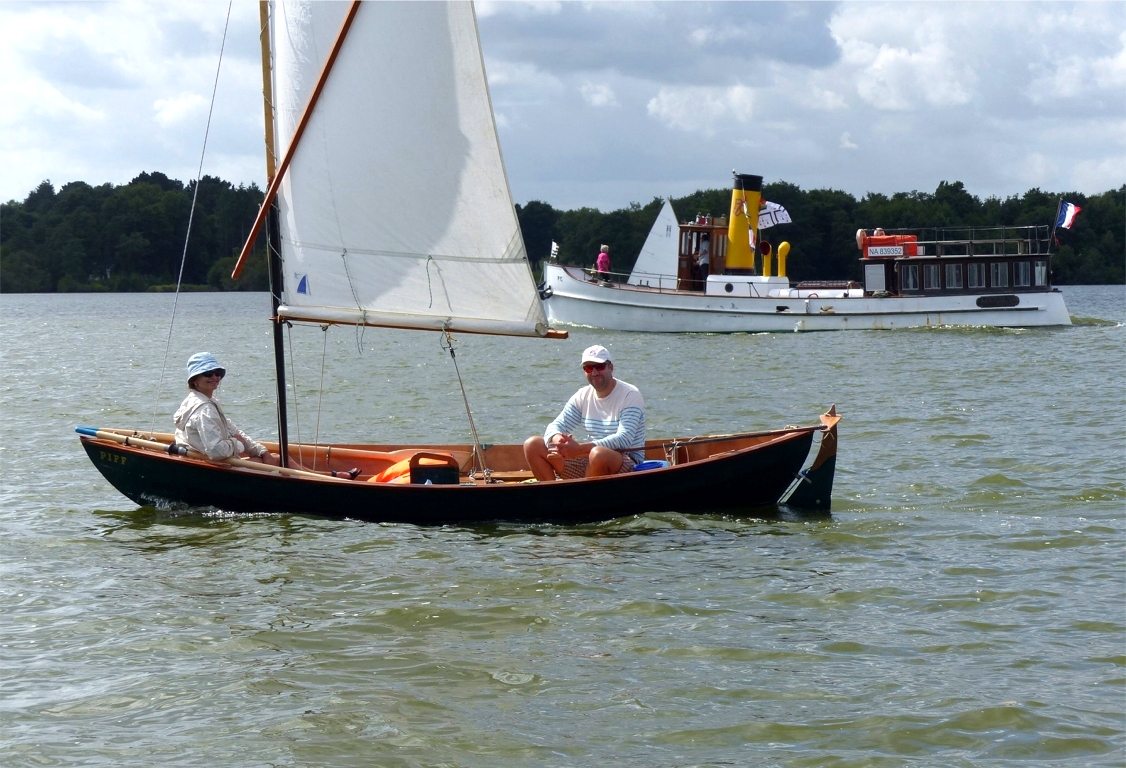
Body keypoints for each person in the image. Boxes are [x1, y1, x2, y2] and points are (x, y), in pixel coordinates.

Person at [173, 352, 359, 479]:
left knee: (277, 457)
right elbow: (216, 451)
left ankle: (327, 477)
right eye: (207, 373)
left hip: (217, 464)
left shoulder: (202, 402)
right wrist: (237, 445)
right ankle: (328, 479)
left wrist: (260, 451)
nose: (214, 377)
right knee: (279, 460)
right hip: (214, 468)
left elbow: (234, 431)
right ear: (194, 381)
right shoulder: (204, 410)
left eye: (218, 372)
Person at [523, 345, 646, 481]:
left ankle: (582, 498)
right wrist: (559, 443)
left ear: (611, 368)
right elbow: (555, 425)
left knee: (598, 454)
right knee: (532, 444)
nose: (594, 373)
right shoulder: (583, 395)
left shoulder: (630, 394)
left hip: (627, 463)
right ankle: (554, 498)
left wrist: (579, 449)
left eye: (599, 367)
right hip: (590, 458)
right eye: (588, 368)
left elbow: (624, 439)